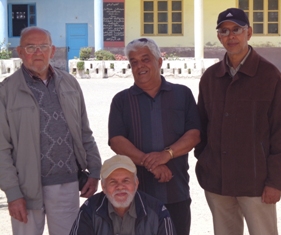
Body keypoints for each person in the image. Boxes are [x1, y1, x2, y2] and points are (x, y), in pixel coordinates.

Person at [195, 8, 281, 235]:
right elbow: (201, 126)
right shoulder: (210, 77)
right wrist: (208, 161)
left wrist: (275, 182)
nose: (231, 36)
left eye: (237, 30)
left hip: (256, 184)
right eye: (224, 31)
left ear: (248, 33)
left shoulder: (269, 75)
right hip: (218, 183)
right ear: (219, 36)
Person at [0, 26, 101, 235]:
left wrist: (95, 170)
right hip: (26, 189)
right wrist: (12, 193)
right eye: (30, 47)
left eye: (43, 46)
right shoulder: (6, 91)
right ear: (19, 52)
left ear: (52, 50)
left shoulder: (70, 84)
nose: (38, 52)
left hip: (67, 184)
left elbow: (84, 132)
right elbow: (1, 148)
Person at [108, 38, 200, 235]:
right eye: (134, 62)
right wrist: (151, 162)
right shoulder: (121, 100)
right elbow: (116, 140)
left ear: (159, 61)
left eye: (145, 59)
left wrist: (166, 155)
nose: (140, 65)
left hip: (176, 190)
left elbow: (194, 134)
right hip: (135, 196)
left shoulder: (182, 94)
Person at [70, 154, 176, 235]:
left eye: (126, 181)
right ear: (103, 187)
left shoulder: (157, 211)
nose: (120, 187)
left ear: (136, 183)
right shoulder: (90, 210)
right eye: (113, 182)